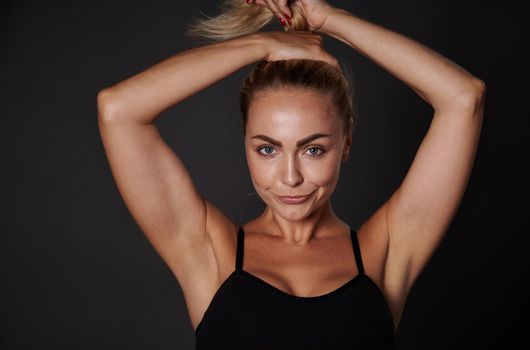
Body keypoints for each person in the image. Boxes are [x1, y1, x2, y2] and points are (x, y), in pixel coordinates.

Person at [96, 0, 485, 348]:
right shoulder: (208, 250)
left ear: (345, 144)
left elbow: (462, 97)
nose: (290, 177)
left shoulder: (385, 250)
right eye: (268, 149)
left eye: (313, 149)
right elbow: (119, 109)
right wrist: (263, 45)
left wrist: (328, 18)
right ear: (245, 145)